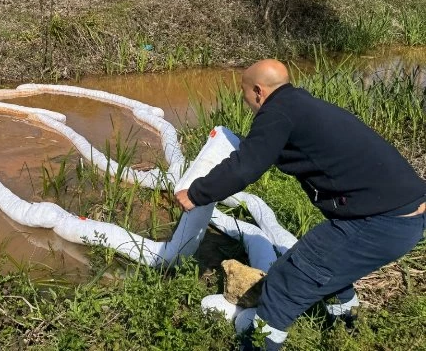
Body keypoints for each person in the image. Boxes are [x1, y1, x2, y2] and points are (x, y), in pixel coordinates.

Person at [174, 59, 426, 351]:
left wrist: (197, 193)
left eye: (244, 95)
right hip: (405, 213)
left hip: (380, 222)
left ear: (258, 91)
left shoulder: (277, 113)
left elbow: (245, 168)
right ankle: (348, 328)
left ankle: (257, 346)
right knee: (329, 267)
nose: (246, 103)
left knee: (286, 280)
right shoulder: (301, 105)